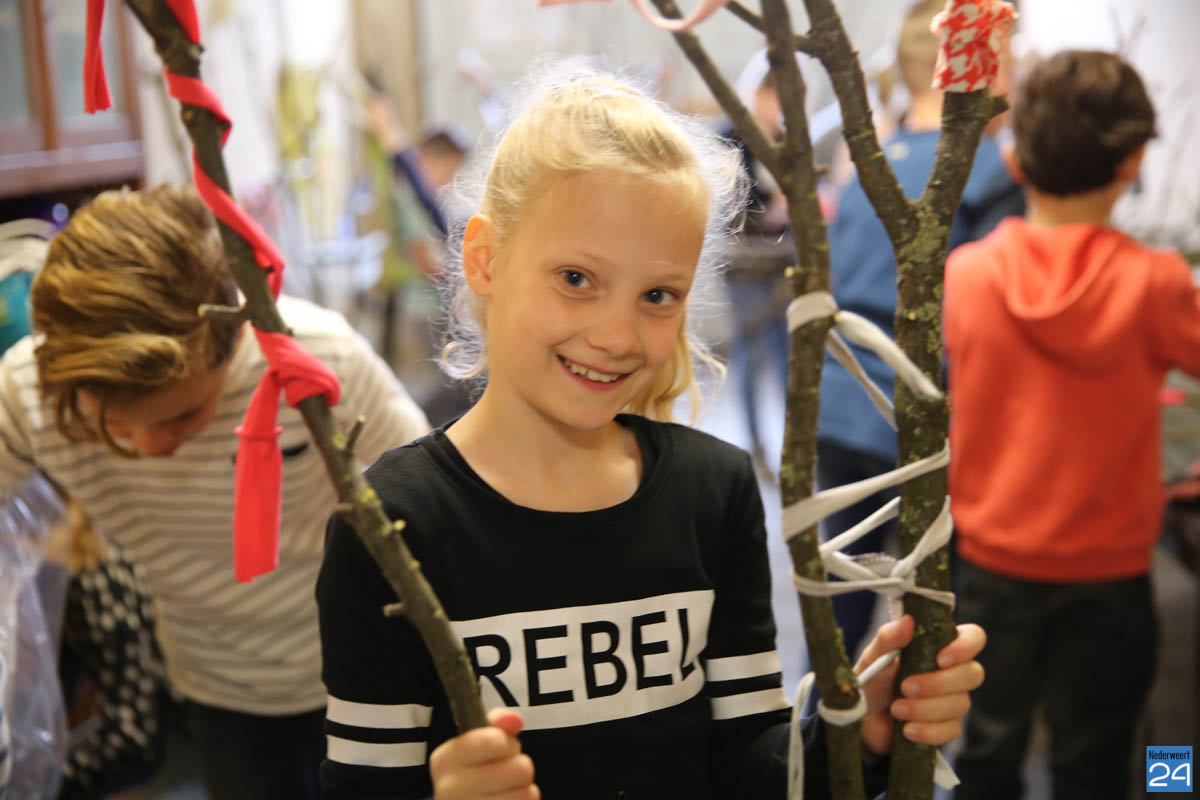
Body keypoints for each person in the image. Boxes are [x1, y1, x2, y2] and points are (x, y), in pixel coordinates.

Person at [317, 66, 986, 800]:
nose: (617, 335)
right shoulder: (393, 522)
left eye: (658, 295)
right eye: (576, 278)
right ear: (485, 259)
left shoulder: (713, 495)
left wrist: (858, 733)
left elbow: (751, 767)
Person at [0, 185, 430, 800]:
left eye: (183, 416)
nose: (149, 447)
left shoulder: (316, 359)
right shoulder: (27, 395)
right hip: (220, 686)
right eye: (114, 424)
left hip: (372, 667)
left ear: (232, 341)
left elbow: (434, 503)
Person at [944, 50, 1190, 800]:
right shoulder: (1157, 282)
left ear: (1013, 159)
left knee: (986, 749)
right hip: (1110, 571)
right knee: (1102, 754)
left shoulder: (966, 275)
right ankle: (1173, 786)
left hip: (990, 565)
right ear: (1134, 161)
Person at [815, 0, 1024, 661]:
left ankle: (825, 719)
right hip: (919, 416)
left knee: (841, 602)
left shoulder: (868, 163)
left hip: (839, 400)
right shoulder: (988, 171)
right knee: (935, 616)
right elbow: (991, 317)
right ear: (985, 70)